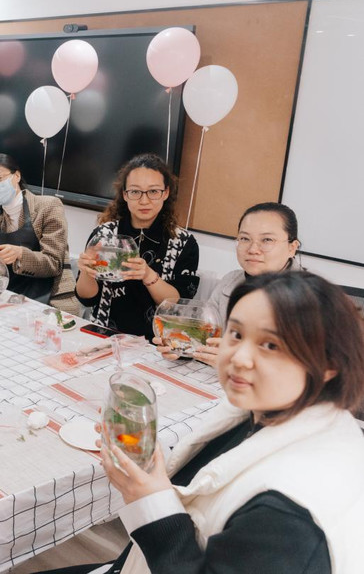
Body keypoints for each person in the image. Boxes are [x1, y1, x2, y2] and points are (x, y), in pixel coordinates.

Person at [40, 271, 364, 574]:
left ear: (329, 365)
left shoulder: (289, 515)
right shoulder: (262, 411)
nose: (238, 357)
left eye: (270, 345)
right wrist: (151, 468)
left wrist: (147, 501)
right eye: (236, 334)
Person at [155, 202, 303, 366]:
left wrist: (233, 362)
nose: (253, 249)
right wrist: (181, 348)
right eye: (245, 238)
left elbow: (304, 372)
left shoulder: (312, 298)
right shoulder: (230, 281)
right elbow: (206, 338)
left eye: (267, 240)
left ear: (292, 247)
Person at [75, 154, 199, 339]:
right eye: (135, 192)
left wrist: (148, 275)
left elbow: (176, 305)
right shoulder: (104, 235)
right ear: (125, 195)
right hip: (105, 335)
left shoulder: (182, 242)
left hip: (158, 342)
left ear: (165, 193)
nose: (144, 201)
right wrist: (87, 272)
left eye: (153, 191)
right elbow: (86, 298)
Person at [0, 153, 79, 313]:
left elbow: (54, 263)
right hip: (11, 297)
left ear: (16, 176)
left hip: (51, 299)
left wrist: (20, 254)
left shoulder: (48, 207)